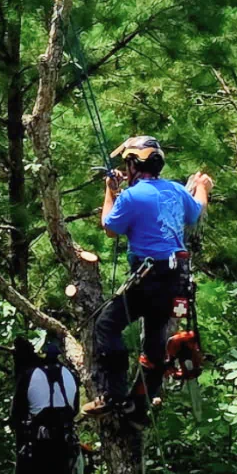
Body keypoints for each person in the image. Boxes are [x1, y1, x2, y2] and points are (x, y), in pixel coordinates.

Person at [81, 136, 213, 425]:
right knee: (154, 341)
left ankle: (113, 396)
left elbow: (110, 227)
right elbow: (196, 210)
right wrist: (202, 187)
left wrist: (109, 191)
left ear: (133, 164)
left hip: (147, 277)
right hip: (175, 279)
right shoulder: (176, 190)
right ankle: (140, 406)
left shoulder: (132, 196)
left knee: (107, 325)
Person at [10, 334, 79, 474]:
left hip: (36, 444)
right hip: (63, 442)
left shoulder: (30, 375)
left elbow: (16, 414)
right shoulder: (70, 374)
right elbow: (74, 409)